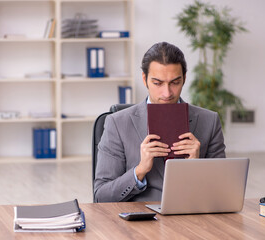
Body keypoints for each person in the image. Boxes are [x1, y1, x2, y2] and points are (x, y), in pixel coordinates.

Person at [94, 42, 226, 202]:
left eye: (175, 83)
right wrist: (139, 171)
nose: (167, 93)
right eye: (158, 83)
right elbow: (102, 196)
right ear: (145, 79)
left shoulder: (209, 121)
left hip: (192, 217)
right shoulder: (117, 123)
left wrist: (196, 167)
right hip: (140, 220)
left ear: (184, 78)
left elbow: (222, 193)